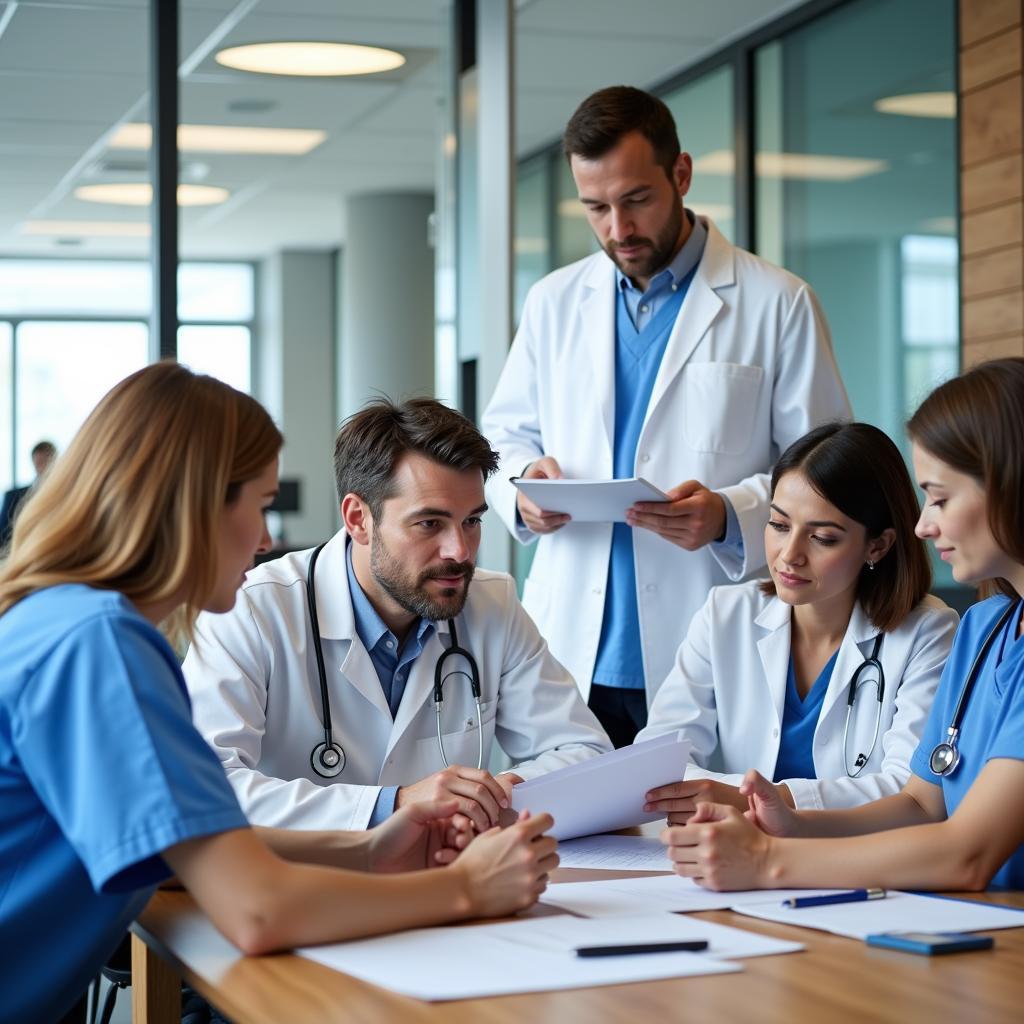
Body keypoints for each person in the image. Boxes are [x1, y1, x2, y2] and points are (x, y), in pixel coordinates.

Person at [0, 364, 558, 1024]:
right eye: (260, 506)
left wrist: (372, 846)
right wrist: (466, 889)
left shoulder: (58, 620)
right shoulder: (103, 648)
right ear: (194, 506)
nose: (267, 539)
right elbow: (255, 911)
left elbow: (178, 852)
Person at [481, 85, 850, 747]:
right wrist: (521, 488)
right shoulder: (553, 301)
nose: (617, 230)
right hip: (573, 647)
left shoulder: (778, 303)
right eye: (595, 207)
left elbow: (827, 478)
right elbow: (500, 439)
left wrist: (728, 515)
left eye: (636, 200)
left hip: (706, 633)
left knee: (694, 835)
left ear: (680, 174)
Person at [662, 358, 1024, 892]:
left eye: (941, 498)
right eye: (778, 524)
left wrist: (764, 860)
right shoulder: (985, 627)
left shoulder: (937, 630)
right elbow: (923, 803)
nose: (924, 524)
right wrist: (795, 822)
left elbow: (966, 853)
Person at [182, 397, 612, 836]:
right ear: (358, 519)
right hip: (302, 885)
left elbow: (584, 751)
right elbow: (200, 787)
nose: (460, 552)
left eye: (472, 522)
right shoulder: (253, 608)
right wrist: (394, 805)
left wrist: (497, 794)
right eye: (430, 524)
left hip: (449, 879)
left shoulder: (492, 602)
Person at [637, 422, 957, 819]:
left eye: (822, 537)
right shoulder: (725, 614)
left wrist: (759, 802)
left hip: (855, 859)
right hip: (737, 851)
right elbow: (659, 758)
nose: (789, 555)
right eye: (779, 525)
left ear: (877, 545)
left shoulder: (928, 633)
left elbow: (910, 790)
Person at [0, 439, 56, 546]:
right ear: (34, 462)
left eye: (46, 461)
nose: (43, 467)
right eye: (39, 463)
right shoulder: (13, 496)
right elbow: (3, 533)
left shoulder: (68, 494)